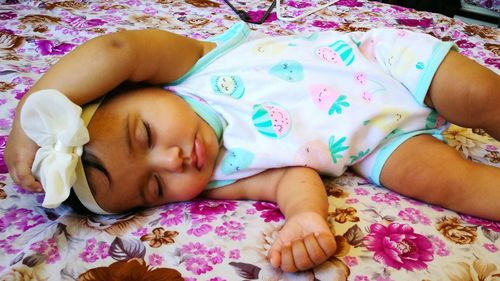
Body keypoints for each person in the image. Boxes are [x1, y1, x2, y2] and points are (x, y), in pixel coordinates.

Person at [5, 22, 500, 273]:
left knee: (482, 97)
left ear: (138, 85)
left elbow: (118, 49)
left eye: (146, 136)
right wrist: (304, 217)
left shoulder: (192, 67)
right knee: (451, 185)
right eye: (155, 186)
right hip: (374, 142)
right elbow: (290, 178)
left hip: (385, 62)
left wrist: (35, 109)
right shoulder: (217, 177)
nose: (171, 161)